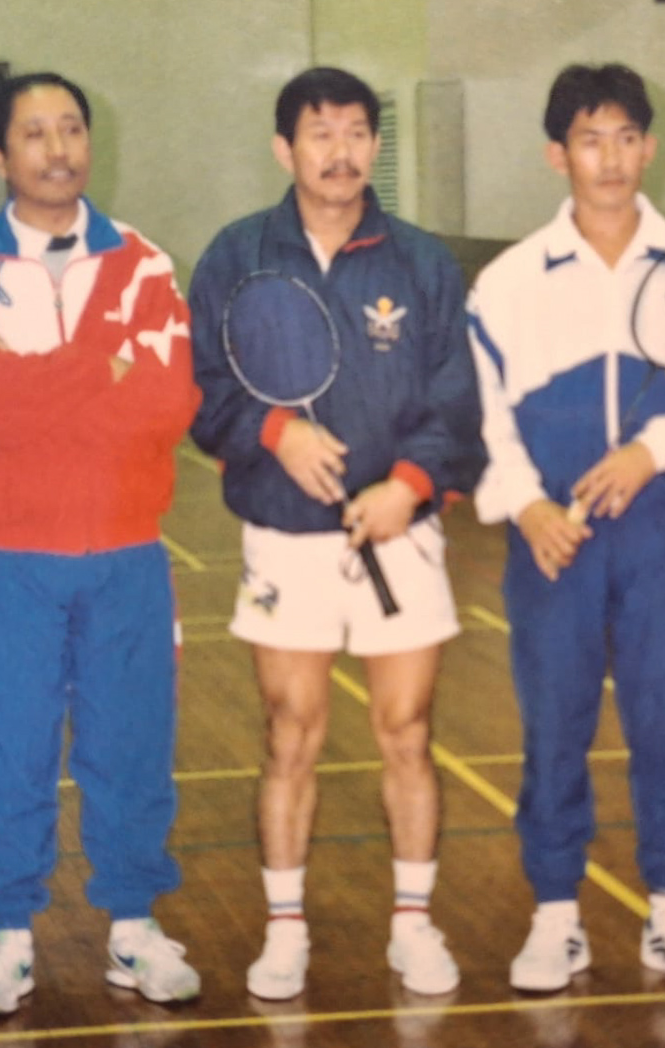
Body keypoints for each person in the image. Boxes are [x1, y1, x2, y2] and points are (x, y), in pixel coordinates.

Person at [466, 63, 665, 993]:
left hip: (664, 533)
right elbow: (482, 417)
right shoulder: (509, 281)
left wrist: (654, 451)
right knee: (554, 724)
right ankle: (555, 914)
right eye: (589, 140)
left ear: (650, 147)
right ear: (557, 155)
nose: (610, 159)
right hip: (552, 541)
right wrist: (527, 504)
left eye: (626, 138)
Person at [188, 66, 481, 1000]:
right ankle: (285, 933)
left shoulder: (423, 262)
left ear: (375, 146)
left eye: (357, 132)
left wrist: (410, 483)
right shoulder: (237, 255)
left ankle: (413, 927)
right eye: (321, 133)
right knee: (290, 733)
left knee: (407, 731)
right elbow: (203, 393)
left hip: (400, 532)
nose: (340, 151)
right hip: (285, 534)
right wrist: (276, 431)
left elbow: (458, 399)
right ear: (285, 148)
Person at [0, 72, 203, 1013]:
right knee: (8, 745)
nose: (58, 149)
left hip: (127, 551)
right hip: (9, 555)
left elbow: (167, 403)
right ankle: (8, 934)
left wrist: (46, 379)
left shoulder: (146, 264)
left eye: (72, 128)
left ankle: (134, 926)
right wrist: (105, 363)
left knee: (132, 743)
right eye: (35, 133)